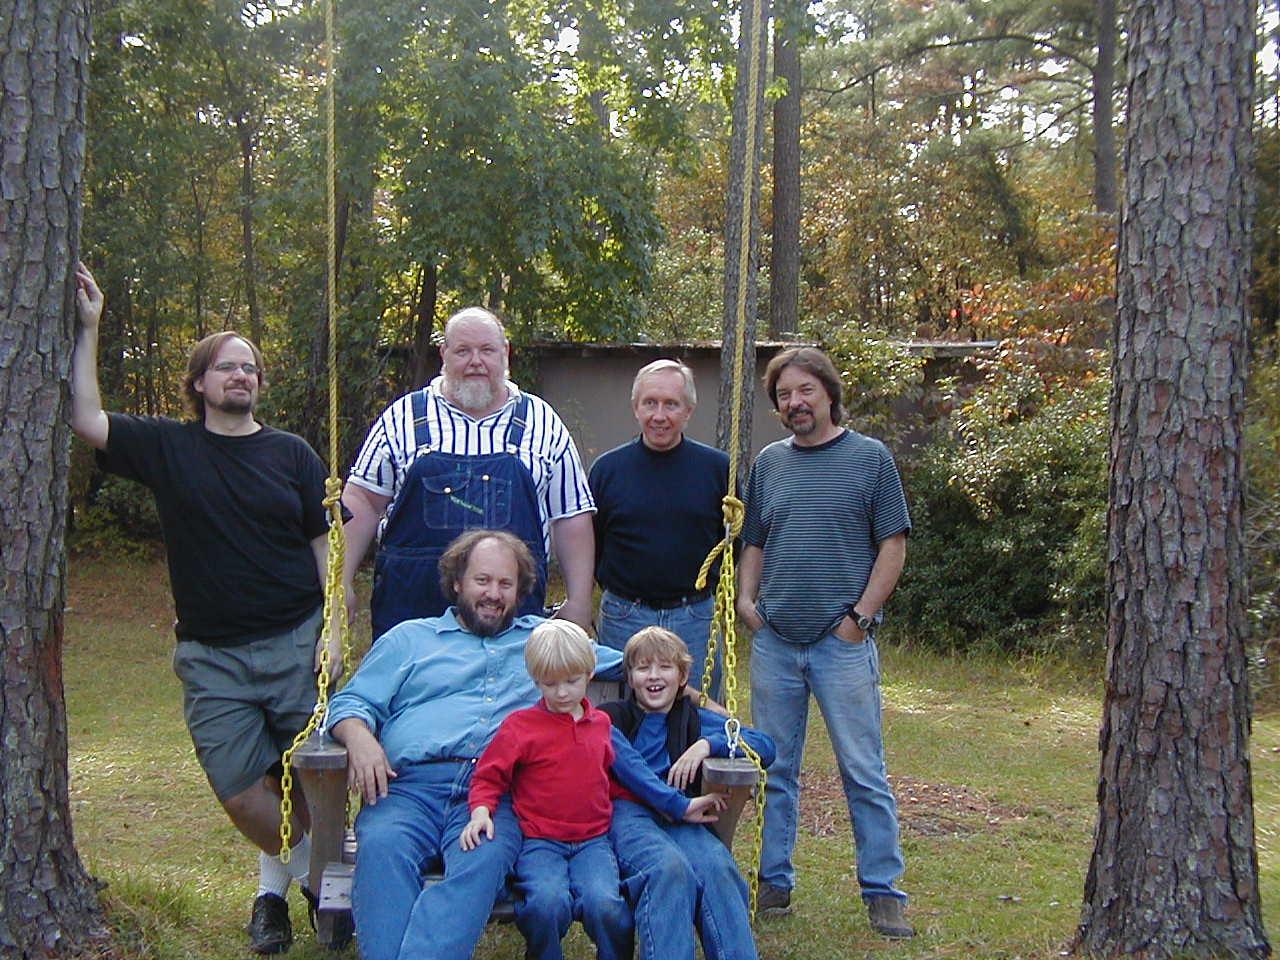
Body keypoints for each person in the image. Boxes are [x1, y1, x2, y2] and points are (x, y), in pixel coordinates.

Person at [69, 264, 338, 954]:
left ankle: (288, 899)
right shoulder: (169, 446)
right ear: (198, 383)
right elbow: (85, 418)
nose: (240, 376)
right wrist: (91, 326)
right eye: (226, 367)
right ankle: (324, 886)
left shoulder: (292, 454)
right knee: (242, 791)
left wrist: (335, 628)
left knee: (313, 782)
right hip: (211, 657)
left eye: (249, 368)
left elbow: (325, 548)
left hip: (295, 643)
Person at [325, 530, 716, 960]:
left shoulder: (546, 641)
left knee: (485, 855)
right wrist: (358, 736)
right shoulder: (408, 640)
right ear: (457, 582)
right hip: (409, 787)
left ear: (520, 590)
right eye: (482, 580)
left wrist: (709, 707)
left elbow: (643, 668)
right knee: (383, 846)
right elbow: (350, 702)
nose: (493, 594)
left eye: (505, 584)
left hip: (495, 794)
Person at [735, 346, 914, 939]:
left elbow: (893, 544)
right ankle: (773, 882)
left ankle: (883, 891)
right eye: (785, 394)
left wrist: (860, 618)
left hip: (842, 644)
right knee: (775, 769)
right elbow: (755, 541)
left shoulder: (870, 459)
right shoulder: (769, 464)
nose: (795, 403)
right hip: (776, 644)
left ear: (829, 394)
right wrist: (747, 601)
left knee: (863, 770)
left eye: (805, 390)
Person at [461, 620, 723, 960]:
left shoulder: (601, 726)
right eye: (550, 684)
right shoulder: (520, 728)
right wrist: (481, 812)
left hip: (593, 842)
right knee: (546, 904)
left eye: (572, 681)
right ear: (535, 680)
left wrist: (677, 806)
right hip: (541, 842)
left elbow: (631, 778)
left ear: (589, 674)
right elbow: (488, 776)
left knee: (605, 904)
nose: (562, 693)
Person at [341, 306, 595, 640]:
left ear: (505, 353)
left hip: (513, 624)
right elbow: (362, 501)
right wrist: (341, 582)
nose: (476, 361)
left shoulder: (541, 421)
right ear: (444, 355)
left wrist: (579, 601)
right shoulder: (403, 417)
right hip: (411, 624)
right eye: (463, 351)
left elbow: (571, 516)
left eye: (487, 350)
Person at [600, 626, 776, 960]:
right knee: (667, 869)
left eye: (665, 667)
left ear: (682, 677)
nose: (654, 676)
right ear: (630, 677)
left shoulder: (692, 719)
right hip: (628, 816)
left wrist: (708, 743)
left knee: (717, 865)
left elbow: (765, 745)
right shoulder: (611, 719)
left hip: (684, 816)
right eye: (643, 667)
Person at [589, 359, 731, 698]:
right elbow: (592, 544)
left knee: (698, 714)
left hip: (694, 617)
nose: (659, 415)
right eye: (650, 403)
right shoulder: (607, 470)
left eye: (671, 404)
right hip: (624, 615)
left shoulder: (718, 470)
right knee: (622, 713)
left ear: (689, 410)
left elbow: (732, 543)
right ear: (635, 407)